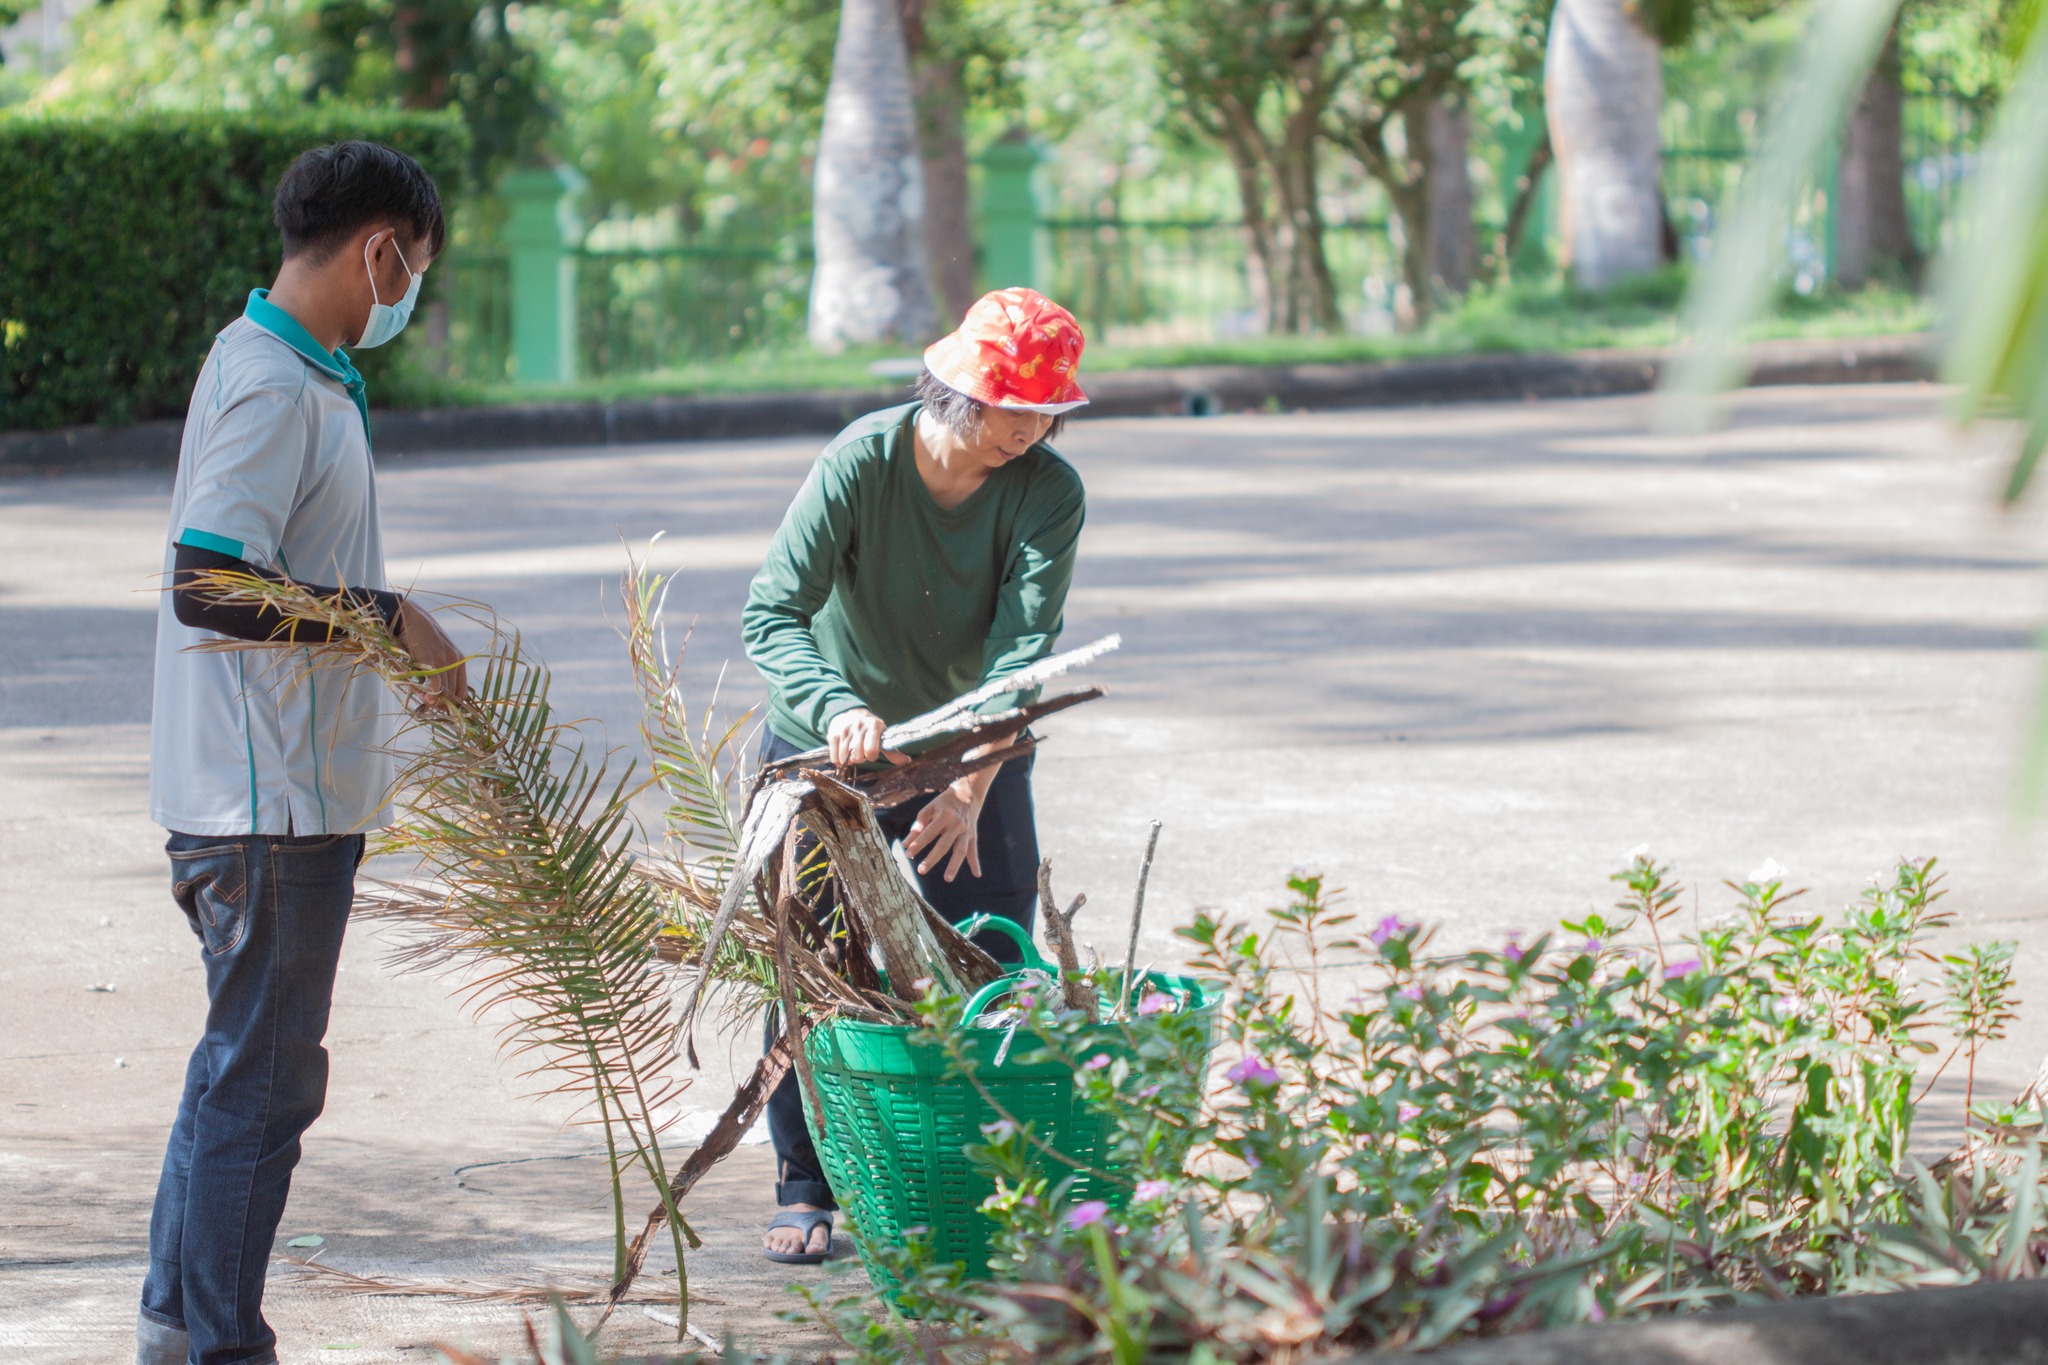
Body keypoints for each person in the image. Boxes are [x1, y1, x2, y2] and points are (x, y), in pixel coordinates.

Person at [139, 141, 468, 1365]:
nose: (408, 292)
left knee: (236, 1073)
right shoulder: (274, 383)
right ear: (380, 248)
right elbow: (208, 581)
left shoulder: (282, 365)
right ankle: (225, 1348)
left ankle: (174, 1325)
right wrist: (388, 619)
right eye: (412, 267)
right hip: (264, 807)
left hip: (273, 794)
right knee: (264, 1090)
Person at [741, 287, 1090, 1263]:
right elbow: (771, 612)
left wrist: (971, 784)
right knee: (812, 958)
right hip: (830, 747)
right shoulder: (861, 462)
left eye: (1047, 411)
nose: (1031, 429)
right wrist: (836, 708)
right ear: (958, 391)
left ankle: (988, 1178)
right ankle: (804, 1182)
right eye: (1014, 407)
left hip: (968, 748)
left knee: (993, 961)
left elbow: (1024, 653)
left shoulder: (1048, 492)